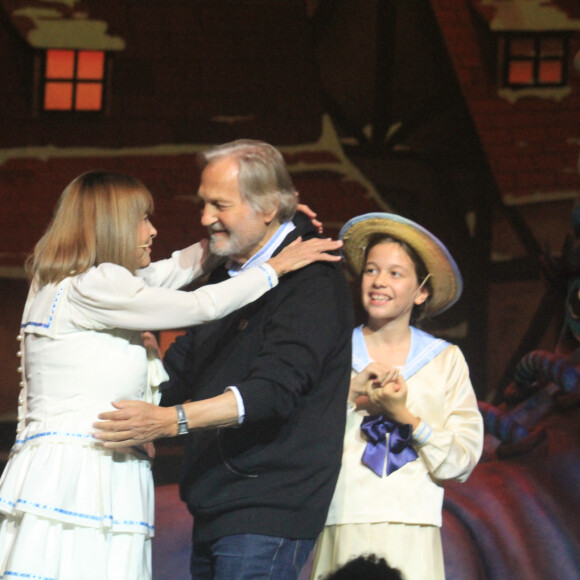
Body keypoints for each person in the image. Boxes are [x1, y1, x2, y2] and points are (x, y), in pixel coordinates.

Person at [0, 170, 342, 580]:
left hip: (63, 466)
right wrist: (275, 266)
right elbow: (202, 305)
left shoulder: (61, 282)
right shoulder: (96, 286)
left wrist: (245, 226)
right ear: (112, 226)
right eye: (142, 219)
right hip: (85, 472)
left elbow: (174, 269)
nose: (153, 229)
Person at [94, 140, 354, 580]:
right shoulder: (227, 277)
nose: (204, 217)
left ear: (268, 207)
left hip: (267, 509)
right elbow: (179, 374)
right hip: (218, 505)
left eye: (220, 204)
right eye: (203, 203)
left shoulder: (313, 281)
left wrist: (167, 421)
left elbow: (270, 392)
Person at [310, 212, 484, 580]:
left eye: (395, 273)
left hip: (413, 526)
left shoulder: (444, 361)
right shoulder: (335, 354)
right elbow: (303, 441)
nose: (379, 282)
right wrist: (346, 398)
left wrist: (406, 417)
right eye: (372, 270)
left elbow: (462, 461)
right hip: (344, 518)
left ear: (421, 291)